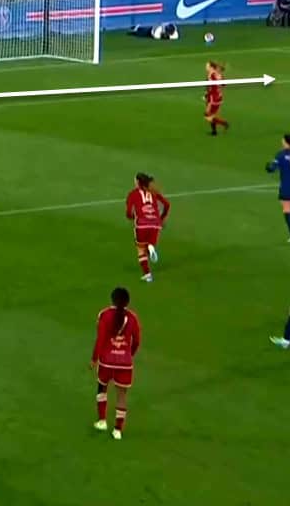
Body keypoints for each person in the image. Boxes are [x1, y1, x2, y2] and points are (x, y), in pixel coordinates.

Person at [91, 287, 141, 440]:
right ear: (127, 302)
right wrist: (129, 354)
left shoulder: (104, 314)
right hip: (124, 363)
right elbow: (137, 341)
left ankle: (102, 421)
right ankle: (118, 430)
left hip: (106, 361)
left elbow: (100, 338)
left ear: (112, 299)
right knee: (121, 396)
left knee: (102, 388)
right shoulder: (132, 318)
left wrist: (94, 358)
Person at [125, 172, 170, 282]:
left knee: (141, 249)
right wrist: (161, 218)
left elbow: (128, 213)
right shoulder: (153, 192)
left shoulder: (133, 194)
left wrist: (133, 217)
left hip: (142, 224)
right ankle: (150, 247)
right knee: (148, 244)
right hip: (155, 224)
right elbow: (167, 204)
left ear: (138, 182)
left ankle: (147, 275)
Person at [266, 134, 290, 243]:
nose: (281, 142)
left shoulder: (281, 154)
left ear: (286, 142)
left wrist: (268, 167)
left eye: (283, 140)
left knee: (287, 208)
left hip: (287, 186)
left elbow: (272, 168)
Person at [204, 61, 229, 136]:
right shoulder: (217, 74)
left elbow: (210, 86)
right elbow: (224, 84)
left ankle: (224, 123)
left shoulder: (211, 75)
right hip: (218, 97)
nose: (206, 67)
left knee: (207, 115)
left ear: (211, 67)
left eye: (207, 66)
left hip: (213, 98)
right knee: (212, 115)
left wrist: (207, 94)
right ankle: (214, 132)